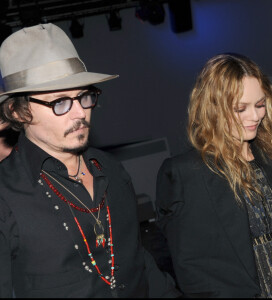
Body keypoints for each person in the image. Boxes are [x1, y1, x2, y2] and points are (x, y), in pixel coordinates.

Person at [0, 23, 181, 298]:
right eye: (60, 102)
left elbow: (137, 261)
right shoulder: (6, 194)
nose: (80, 114)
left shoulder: (111, 169)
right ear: (19, 110)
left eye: (84, 96)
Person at [155, 53, 272, 298]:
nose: (254, 117)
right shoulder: (185, 174)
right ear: (213, 108)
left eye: (260, 104)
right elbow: (193, 271)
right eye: (240, 108)